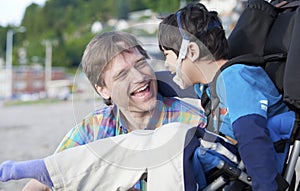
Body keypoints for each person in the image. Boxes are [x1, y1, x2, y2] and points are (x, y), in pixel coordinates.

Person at [8, 31, 206, 191]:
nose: (139, 77)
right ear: (103, 90)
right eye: (122, 74)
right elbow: (46, 180)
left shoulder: (191, 120)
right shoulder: (93, 127)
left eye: (140, 63)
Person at [157, 2, 291, 191]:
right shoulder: (206, 89)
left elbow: (252, 137)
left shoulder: (234, 79)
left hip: (234, 161)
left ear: (192, 52)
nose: (165, 64)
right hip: (218, 158)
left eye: (167, 54)